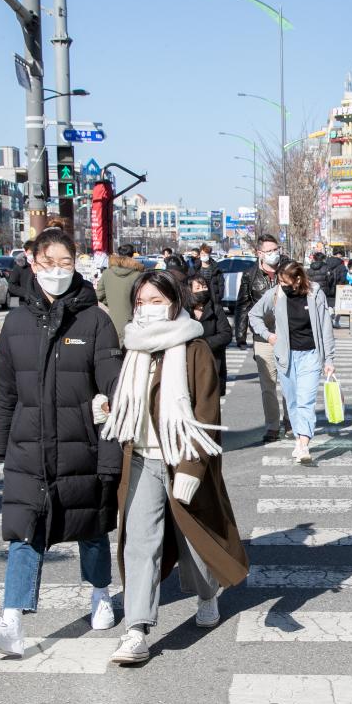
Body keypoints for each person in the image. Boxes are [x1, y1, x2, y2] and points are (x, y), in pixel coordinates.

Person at [0, 227, 123, 657]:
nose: (56, 271)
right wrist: (0, 444)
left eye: (65, 262)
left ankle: (99, 594)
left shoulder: (94, 320)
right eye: (48, 262)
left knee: (90, 527)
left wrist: (112, 434)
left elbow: (113, 385)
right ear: (31, 261)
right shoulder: (16, 321)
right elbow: (5, 390)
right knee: (25, 531)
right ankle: (11, 622)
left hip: (82, 444)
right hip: (29, 446)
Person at [99, 270, 249, 664]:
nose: (147, 310)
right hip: (142, 459)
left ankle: (206, 593)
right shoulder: (133, 347)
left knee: (193, 540)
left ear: (174, 303)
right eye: (141, 303)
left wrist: (191, 469)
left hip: (180, 459)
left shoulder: (194, 348)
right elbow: (132, 403)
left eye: (156, 301)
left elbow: (205, 411)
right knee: (140, 542)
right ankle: (136, 630)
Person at [249, 261, 336, 464]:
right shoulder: (276, 294)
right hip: (286, 356)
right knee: (293, 401)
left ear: (298, 279)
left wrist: (329, 358)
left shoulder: (315, 294)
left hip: (311, 355)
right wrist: (267, 335)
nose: (283, 285)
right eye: (280, 281)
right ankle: (298, 438)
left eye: (286, 282)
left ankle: (304, 444)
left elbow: (325, 328)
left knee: (306, 400)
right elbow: (254, 314)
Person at [236, 233, 292, 443]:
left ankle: (290, 422)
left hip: (288, 335)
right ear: (259, 253)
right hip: (263, 336)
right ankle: (272, 425)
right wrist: (240, 334)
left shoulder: (289, 269)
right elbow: (243, 305)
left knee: (289, 382)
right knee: (268, 384)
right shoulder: (250, 275)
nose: (274, 254)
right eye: (269, 251)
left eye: (276, 250)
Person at [188, 271, 233, 396]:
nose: (202, 290)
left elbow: (226, 334)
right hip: (189, 365)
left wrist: (204, 344)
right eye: (197, 288)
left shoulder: (215, 308)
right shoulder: (184, 312)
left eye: (204, 287)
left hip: (213, 362)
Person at [96, 246, 146, 341]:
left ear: (118, 255)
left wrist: (112, 303)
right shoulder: (139, 274)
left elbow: (99, 294)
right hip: (135, 321)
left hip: (114, 321)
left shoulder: (107, 272)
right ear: (132, 256)